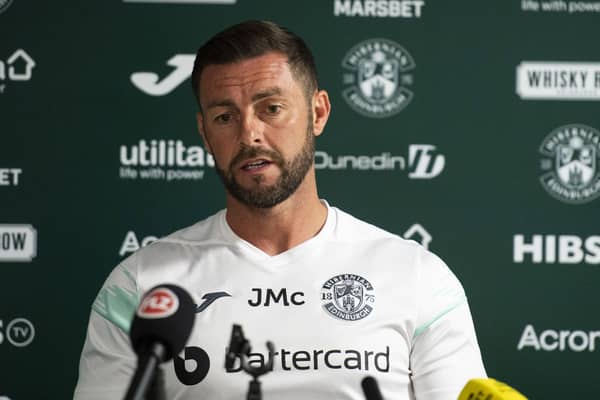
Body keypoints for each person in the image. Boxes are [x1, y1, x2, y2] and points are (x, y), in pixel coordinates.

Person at [74, 20, 486, 400]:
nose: (249, 133)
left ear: (318, 113)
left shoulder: (418, 278)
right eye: (224, 116)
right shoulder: (142, 286)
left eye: (271, 108)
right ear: (204, 132)